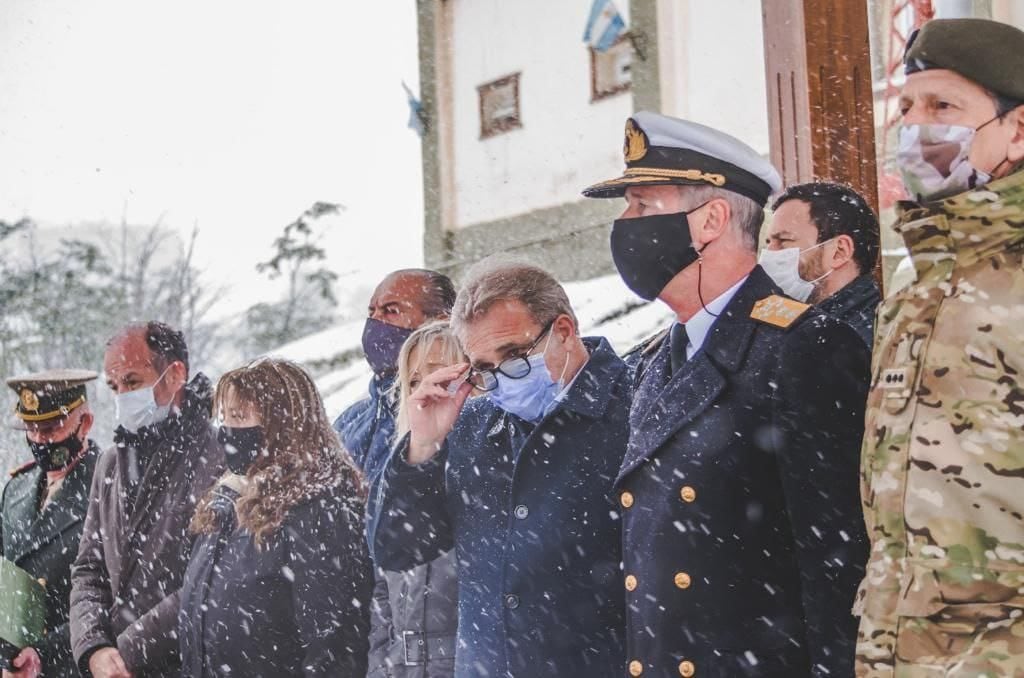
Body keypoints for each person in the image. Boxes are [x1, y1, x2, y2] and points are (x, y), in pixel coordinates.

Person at [582, 111, 870, 677]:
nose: (626, 223)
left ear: (710, 219)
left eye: (643, 205)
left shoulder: (804, 347)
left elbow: (835, 562)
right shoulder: (658, 360)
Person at [856, 18, 1024, 677]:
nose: (917, 125)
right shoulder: (917, 285)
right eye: (908, 107)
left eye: (944, 106)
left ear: (1017, 128)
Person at [370, 259, 630, 676]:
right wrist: (423, 446)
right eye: (485, 368)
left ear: (563, 331)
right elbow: (400, 551)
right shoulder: (473, 425)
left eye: (514, 354)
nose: (503, 377)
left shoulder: (633, 407)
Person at [178, 357, 372, 677]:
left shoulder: (320, 510)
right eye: (224, 417)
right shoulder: (227, 500)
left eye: (239, 417)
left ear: (282, 425)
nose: (227, 431)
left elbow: (333, 647)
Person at [70, 322, 225, 678]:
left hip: (190, 664)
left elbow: (212, 579)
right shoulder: (110, 463)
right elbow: (89, 570)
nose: (122, 395)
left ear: (175, 374)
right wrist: (94, 647)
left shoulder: (221, 457)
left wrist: (127, 652)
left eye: (133, 381)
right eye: (114, 386)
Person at [366, 322, 460, 678]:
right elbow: (380, 597)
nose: (424, 387)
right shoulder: (398, 472)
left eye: (436, 371)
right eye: (414, 378)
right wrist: (381, 666)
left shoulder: (486, 467)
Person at [1, 370, 101, 678]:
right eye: (31, 429)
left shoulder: (107, 485)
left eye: (51, 428)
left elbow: (115, 598)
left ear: (84, 423)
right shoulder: (15, 488)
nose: (40, 440)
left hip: (74, 662)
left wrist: (46, 653)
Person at [334, 269, 456, 484]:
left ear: (440, 321)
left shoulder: (456, 410)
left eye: (391, 310)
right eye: (371, 311)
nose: (375, 322)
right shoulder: (351, 419)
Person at [762, 181, 882, 347]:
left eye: (783, 240)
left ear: (839, 252)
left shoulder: (868, 339)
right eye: (768, 243)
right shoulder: (793, 322)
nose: (769, 254)